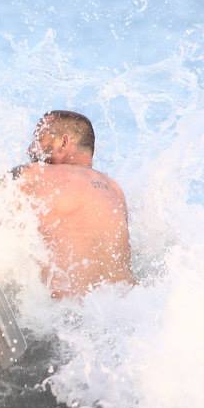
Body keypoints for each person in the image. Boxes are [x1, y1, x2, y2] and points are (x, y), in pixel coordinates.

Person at [14, 110, 134, 298]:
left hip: (62, 318)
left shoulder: (34, 174)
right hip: (124, 311)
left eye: (39, 139)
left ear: (63, 142)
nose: (31, 149)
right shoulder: (114, 190)